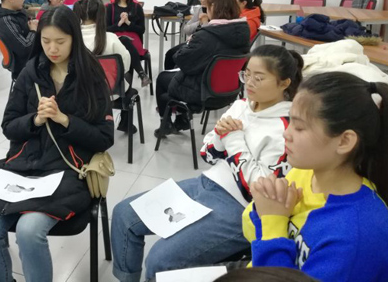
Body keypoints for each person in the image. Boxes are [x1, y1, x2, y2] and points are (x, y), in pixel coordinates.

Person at [112, 44, 303, 282]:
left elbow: (257, 190)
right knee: (123, 215)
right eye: (246, 75)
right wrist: (222, 138)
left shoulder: (285, 128)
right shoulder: (242, 105)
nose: (249, 83)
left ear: (284, 83)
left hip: (239, 207)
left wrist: (233, 139)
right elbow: (207, 153)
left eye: (259, 77)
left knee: (160, 260)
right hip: (206, 183)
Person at [0, 6, 114, 282]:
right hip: (24, 167)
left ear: (74, 38)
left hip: (68, 169)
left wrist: (65, 120)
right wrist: (35, 120)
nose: (52, 49)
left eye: (60, 41)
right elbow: (9, 126)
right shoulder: (31, 71)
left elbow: (104, 137)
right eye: (46, 41)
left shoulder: (91, 75)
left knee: (29, 230)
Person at [243, 72, 388, 281]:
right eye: (289, 121)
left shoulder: (356, 234)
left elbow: (267, 229)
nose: (286, 133)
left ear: (344, 141)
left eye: (299, 127)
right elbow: (250, 228)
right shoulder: (305, 172)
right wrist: (264, 209)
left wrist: (273, 221)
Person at [155, 0, 250, 137]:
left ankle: (168, 122)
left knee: (162, 79)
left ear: (214, 7)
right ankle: (180, 118)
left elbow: (182, 61)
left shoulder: (206, 35)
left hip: (202, 93)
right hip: (230, 92)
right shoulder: (243, 31)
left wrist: (189, 43)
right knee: (167, 91)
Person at [74, 0, 134, 132]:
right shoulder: (111, 38)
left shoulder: (71, 38)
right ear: (101, 14)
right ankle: (125, 122)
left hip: (78, 91)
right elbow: (125, 65)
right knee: (128, 76)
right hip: (109, 92)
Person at [164, 0, 222, 71]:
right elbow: (187, 29)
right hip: (193, 42)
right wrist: (199, 22)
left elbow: (209, 37)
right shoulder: (200, 9)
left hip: (205, 47)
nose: (201, 0)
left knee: (181, 59)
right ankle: (170, 75)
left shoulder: (219, 13)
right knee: (171, 54)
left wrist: (205, 22)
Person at [105, 0, 150, 87]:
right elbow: (106, 29)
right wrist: (120, 23)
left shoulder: (136, 7)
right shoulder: (110, 7)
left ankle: (126, 89)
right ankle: (141, 74)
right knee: (124, 41)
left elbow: (141, 29)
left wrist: (128, 22)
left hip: (134, 40)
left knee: (127, 47)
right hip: (116, 38)